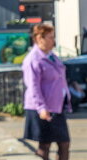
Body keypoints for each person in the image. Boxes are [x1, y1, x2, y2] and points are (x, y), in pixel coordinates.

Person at [22, 24, 71, 160]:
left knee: (64, 143)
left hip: (56, 106)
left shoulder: (51, 56)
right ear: (39, 38)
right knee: (45, 144)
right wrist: (41, 108)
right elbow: (33, 86)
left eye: (53, 37)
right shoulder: (33, 59)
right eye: (49, 37)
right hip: (42, 108)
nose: (53, 41)